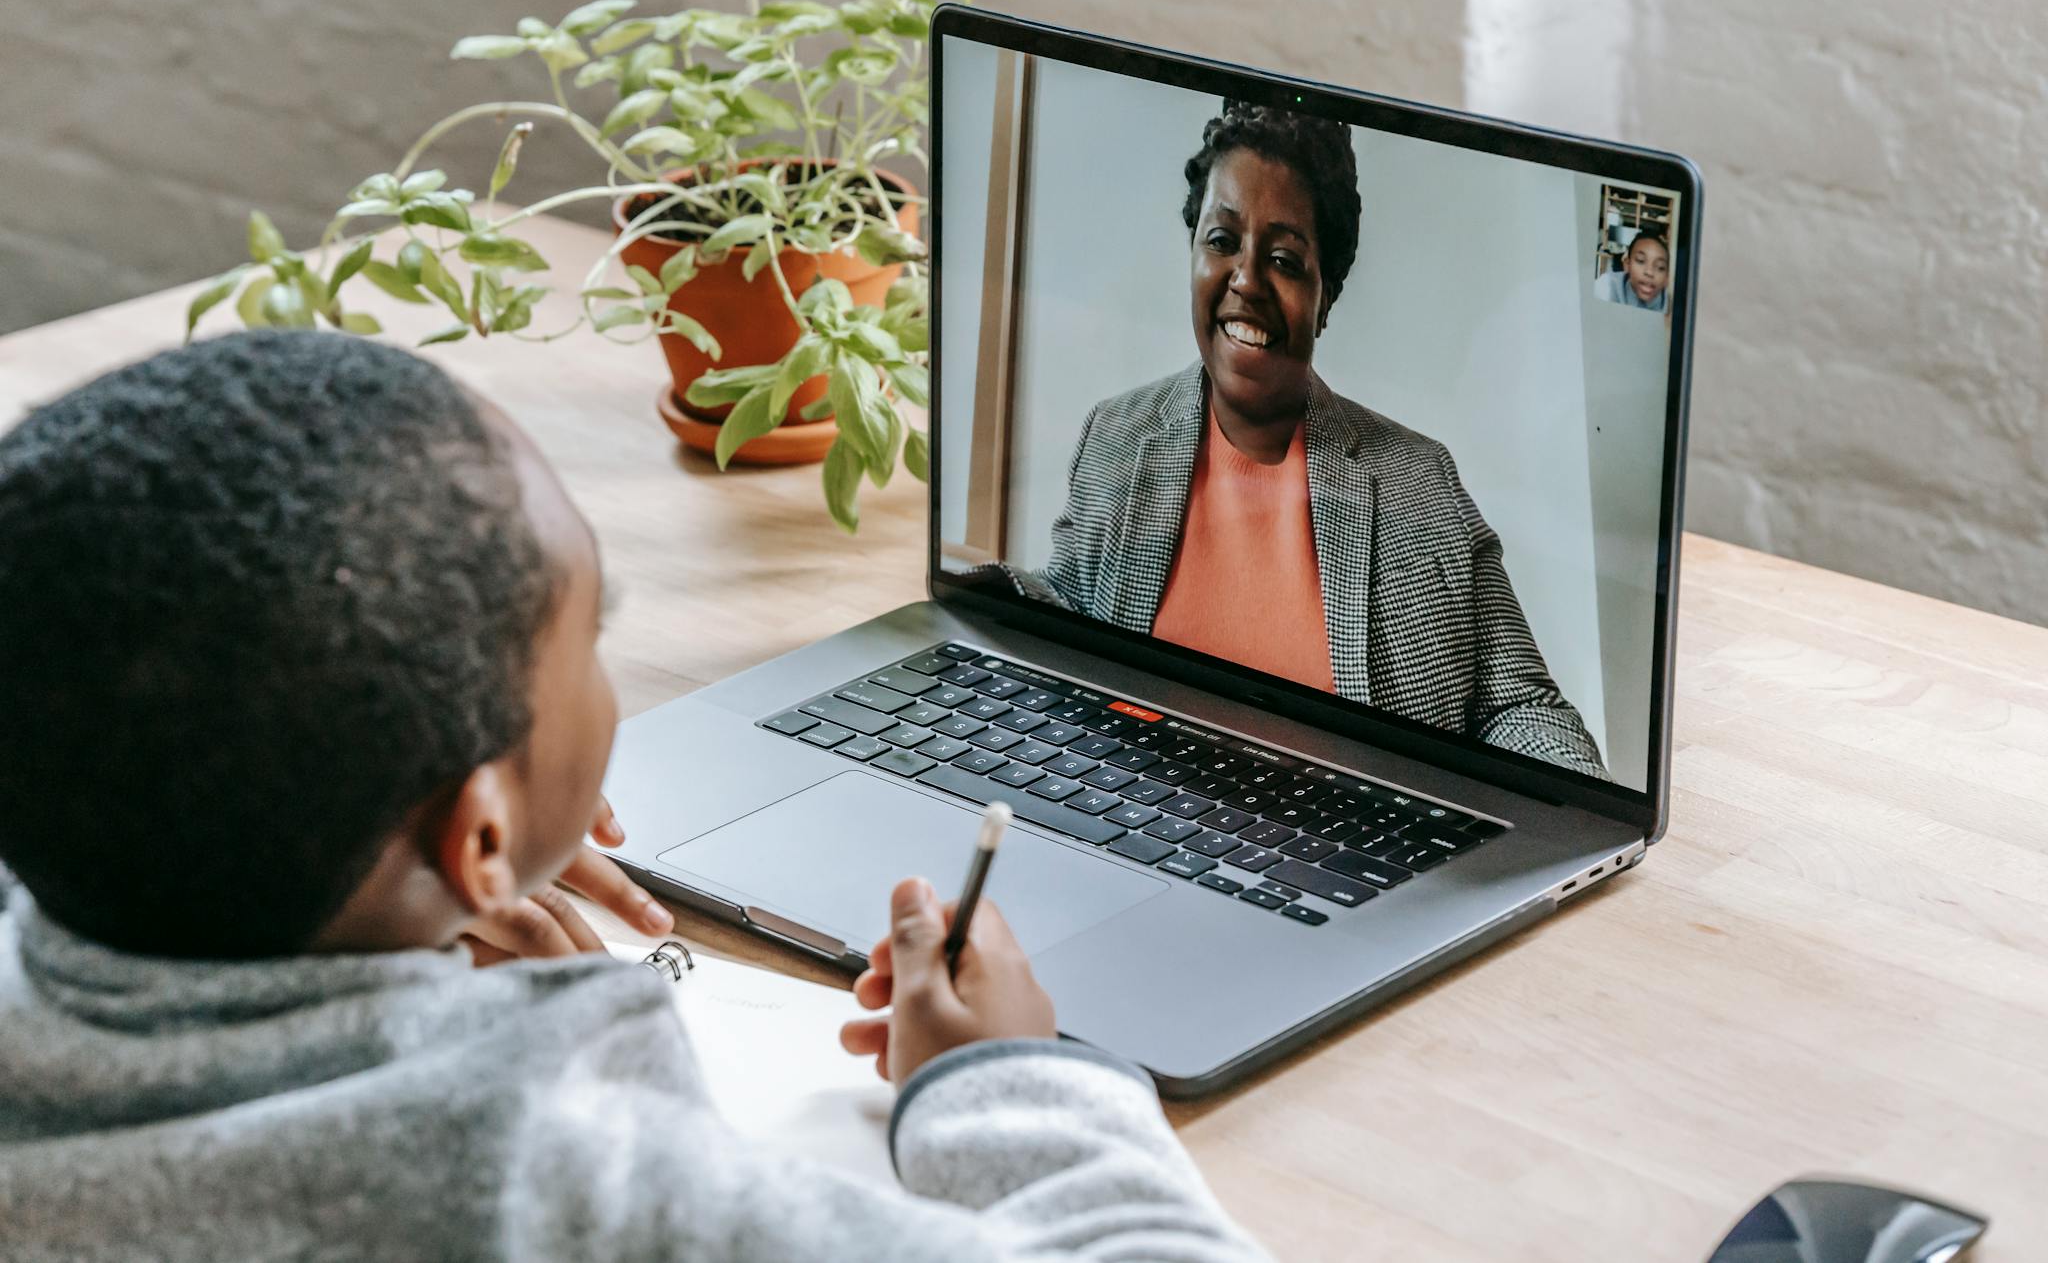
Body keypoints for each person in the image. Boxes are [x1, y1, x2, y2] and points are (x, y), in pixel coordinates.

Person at [0, 331, 1267, 1261]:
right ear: (479, 834)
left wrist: (391, 874)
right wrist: (995, 1085)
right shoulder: (561, 1191)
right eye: (588, 633)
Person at [1005, 100, 1608, 780]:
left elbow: (1521, 708)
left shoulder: (1416, 476)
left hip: (1346, 858)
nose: (1246, 280)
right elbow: (1070, 611)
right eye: (1222, 240)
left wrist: (1553, 833)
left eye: (1286, 260)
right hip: (1134, 821)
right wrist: (982, 602)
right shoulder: (1118, 432)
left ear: (1327, 295)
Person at [1595, 228, 1671, 312]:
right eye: (1641, 260)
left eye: (1660, 267)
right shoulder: (1606, 288)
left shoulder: (1672, 307)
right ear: (1627, 265)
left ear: (1666, 277)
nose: (1649, 272)